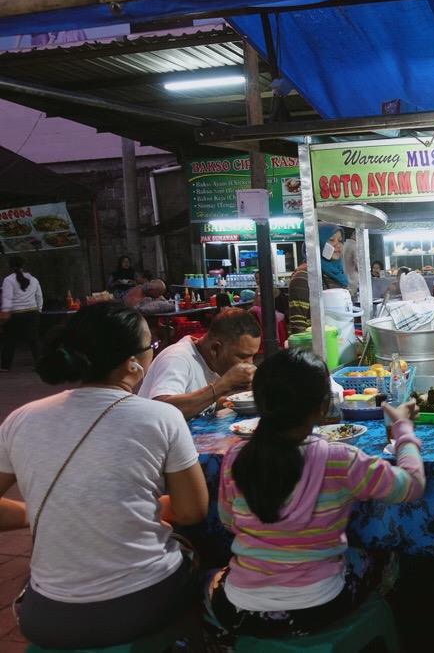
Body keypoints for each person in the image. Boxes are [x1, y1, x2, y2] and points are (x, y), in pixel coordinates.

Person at [0, 302, 208, 649]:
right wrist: (129, 507)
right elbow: (191, 511)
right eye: (151, 348)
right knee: (201, 555)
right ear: (132, 362)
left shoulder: (21, 419)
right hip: (141, 602)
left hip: (46, 614)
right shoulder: (161, 417)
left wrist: (50, 510)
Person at [205, 349, 424, 639]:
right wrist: (403, 430)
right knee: (381, 556)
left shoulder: (236, 456)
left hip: (240, 611)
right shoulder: (340, 458)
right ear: (323, 407)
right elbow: (411, 485)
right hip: (318, 607)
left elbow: (228, 521)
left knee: (207, 579)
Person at [138, 307, 260, 419]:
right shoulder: (177, 357)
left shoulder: (211, 361)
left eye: (253, 356)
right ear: (215, 349)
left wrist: (237, 395)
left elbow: (203, 405)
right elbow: (162, 409)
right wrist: (223, 385)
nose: (250, 364)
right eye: (243, 357)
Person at [287, 223, 347, 336]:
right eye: (331, 240)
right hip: (318, 345)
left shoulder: (336, 272)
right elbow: (298, 324)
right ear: (317, 243)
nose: (338, 245)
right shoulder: (304, 275)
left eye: (340, 240)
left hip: (338, 340)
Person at [0, 257, 43, 373]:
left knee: (10, 341)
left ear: (10, 266)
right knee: (34, 340)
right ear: (23, 265)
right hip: (32, 313)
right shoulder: (33, 279)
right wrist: (39, 309)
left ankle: (5, 366)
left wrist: (5, 311)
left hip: (16, 314)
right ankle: (39, 364)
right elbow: (39, 296)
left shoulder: (8, 280)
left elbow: (7, 298)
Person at [341, 228, 360, 300]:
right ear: (354, 234)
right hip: (354, 282)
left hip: (344, 281)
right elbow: (359, 266)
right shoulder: (355, 246)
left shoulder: (343, 245)